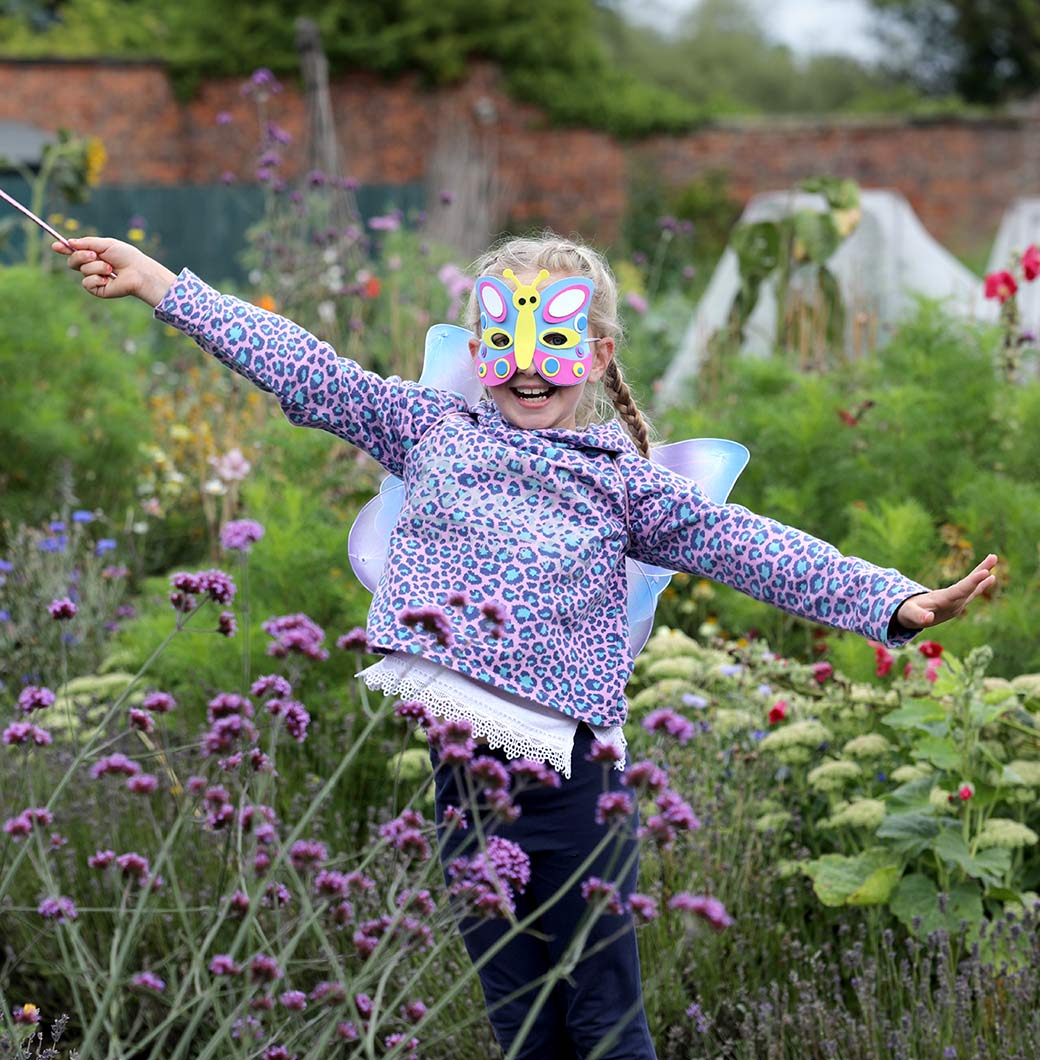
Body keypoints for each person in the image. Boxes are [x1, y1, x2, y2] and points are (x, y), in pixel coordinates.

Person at [55, 232, 997, 1060]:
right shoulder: (429, 430)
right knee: (519, 1022)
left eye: (553, 339)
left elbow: (753, 546)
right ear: (478, 348)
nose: (526, 365)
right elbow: (307, 368)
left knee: (601, 1020)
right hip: (462, 783)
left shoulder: (621, 484)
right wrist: (158, 285)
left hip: (572, 782)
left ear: (596, 353)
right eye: (503, 339)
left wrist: (896, 600)